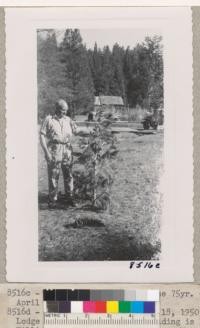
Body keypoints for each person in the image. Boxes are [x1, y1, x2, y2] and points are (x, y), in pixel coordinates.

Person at [40, 99, 78, 208]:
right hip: (54, 149)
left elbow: (77, 131)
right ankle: (53, 200)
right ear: (56, 109)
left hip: (67, 149)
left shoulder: (68, 120)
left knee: (69, 174)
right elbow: (42, 135)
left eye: (66, 111)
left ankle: (69, 197)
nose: (65, 113)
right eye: (62, 110)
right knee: (53, 174)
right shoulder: (49, 120)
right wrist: (46, 152)